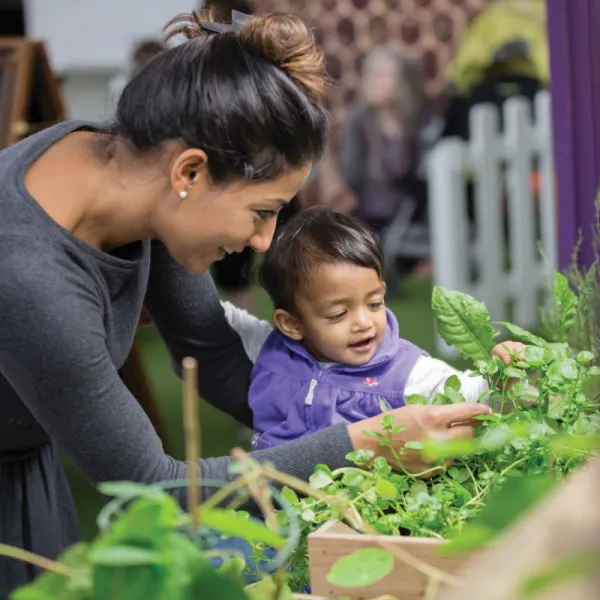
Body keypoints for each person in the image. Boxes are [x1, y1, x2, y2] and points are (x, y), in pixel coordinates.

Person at [0, 10, 490, 595]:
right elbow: (155, 485)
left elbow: (215, 355)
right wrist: (366, 442)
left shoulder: (137, 174)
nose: (264, 241)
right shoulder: (29, 277)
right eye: (262, 211)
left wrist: (364, 402)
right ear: (191, 172)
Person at [222, 207, 524, 449]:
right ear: (291, 324)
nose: (364, 323)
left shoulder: (406, 373)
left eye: (375, 303)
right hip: (279, 506)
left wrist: (502, 379)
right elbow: (218, 317)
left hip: (368, 516)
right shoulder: (270, 350)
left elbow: (471, 395)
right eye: (339, 314)